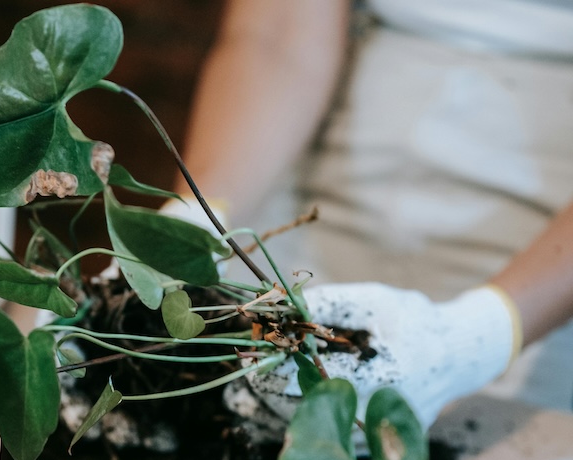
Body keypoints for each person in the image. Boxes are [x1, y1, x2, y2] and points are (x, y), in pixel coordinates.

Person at [163, 0, 573, 426]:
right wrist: (197, 218)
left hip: (550, 240)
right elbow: (278, 31)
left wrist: (483, 334)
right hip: (324, 123)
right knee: (215, 384)